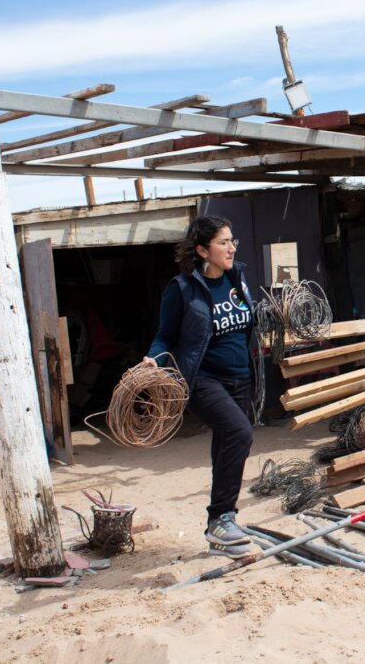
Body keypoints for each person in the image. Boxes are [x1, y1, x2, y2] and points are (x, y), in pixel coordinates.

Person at [142, 215, 256, 558]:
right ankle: (222, 517)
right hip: (202, 378)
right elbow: (165, 335)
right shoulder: (182, 289)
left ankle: (220, 529)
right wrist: (154, 358)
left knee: (227, 444)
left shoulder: (237, 278)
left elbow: (244, 324)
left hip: (241, 377)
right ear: (203, 250)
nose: (231, 248)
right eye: (223, 242)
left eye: (232, 241)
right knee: (239, 433)